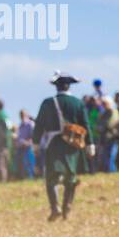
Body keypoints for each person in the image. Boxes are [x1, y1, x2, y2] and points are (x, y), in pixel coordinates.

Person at [33, 71, 92, 221]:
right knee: (70, 178)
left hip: (54, 144)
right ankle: (67, 208)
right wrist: (90, 144)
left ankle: (55, 208)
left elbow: (39, 124)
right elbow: (85, 125)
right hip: (73, 145)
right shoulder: (78, 103)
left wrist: (35, 142)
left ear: (56, 87)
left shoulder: (47, 103)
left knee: (51, 178)